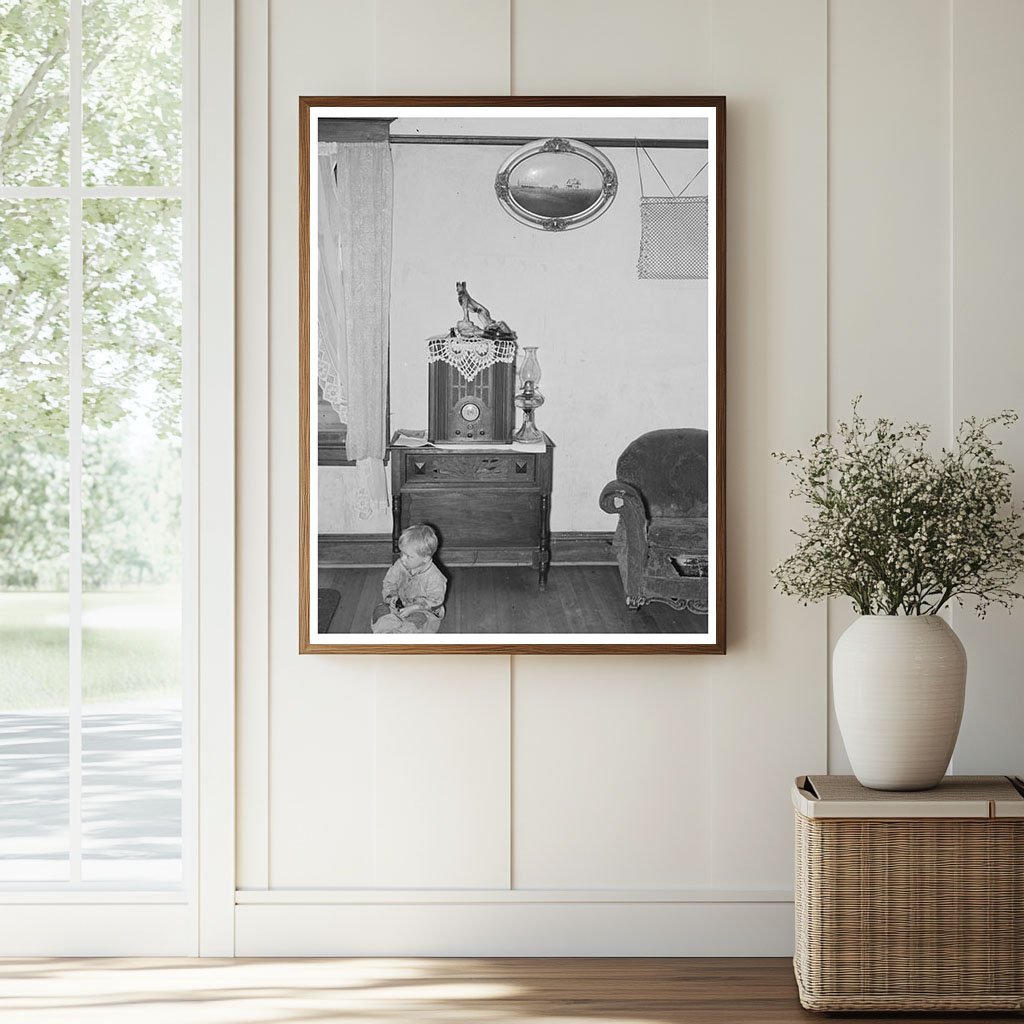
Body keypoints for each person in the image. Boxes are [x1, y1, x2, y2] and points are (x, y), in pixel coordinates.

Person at [371, 524, 447, 634]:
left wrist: (414, 608)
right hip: (400, 605)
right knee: (380, 610)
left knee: (418, 621)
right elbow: (389, 582)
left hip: (423, 611)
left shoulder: (435, 577)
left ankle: (404, 637)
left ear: (425, 558)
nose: (403, 558)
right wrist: (392, 595)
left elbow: (436, 601)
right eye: (402, 553)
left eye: (408, 556)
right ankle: (387, 633)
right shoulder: (400, 565)